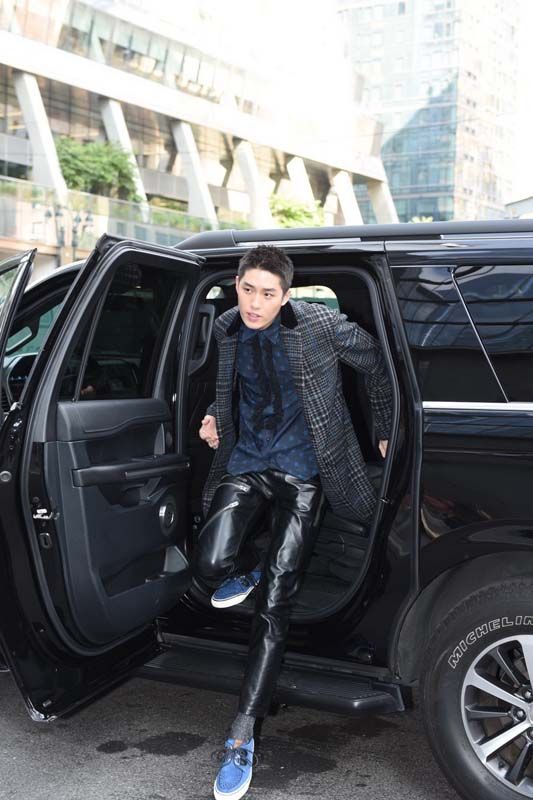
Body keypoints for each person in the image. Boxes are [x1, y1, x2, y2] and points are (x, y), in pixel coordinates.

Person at [194, 245, 392, 800]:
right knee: (209, 562)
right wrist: (212, 415)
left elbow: (380, 363)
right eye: (247, 290)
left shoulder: (320, 326)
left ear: (286, 295)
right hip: (248, 463)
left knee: (275, 606)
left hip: (305, 472)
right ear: (236, 285)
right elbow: (227, 387)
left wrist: (384, 428)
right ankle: (250, 566)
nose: (255, 304)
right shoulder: (227, 328)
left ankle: (241, 735)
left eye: (267, 293)